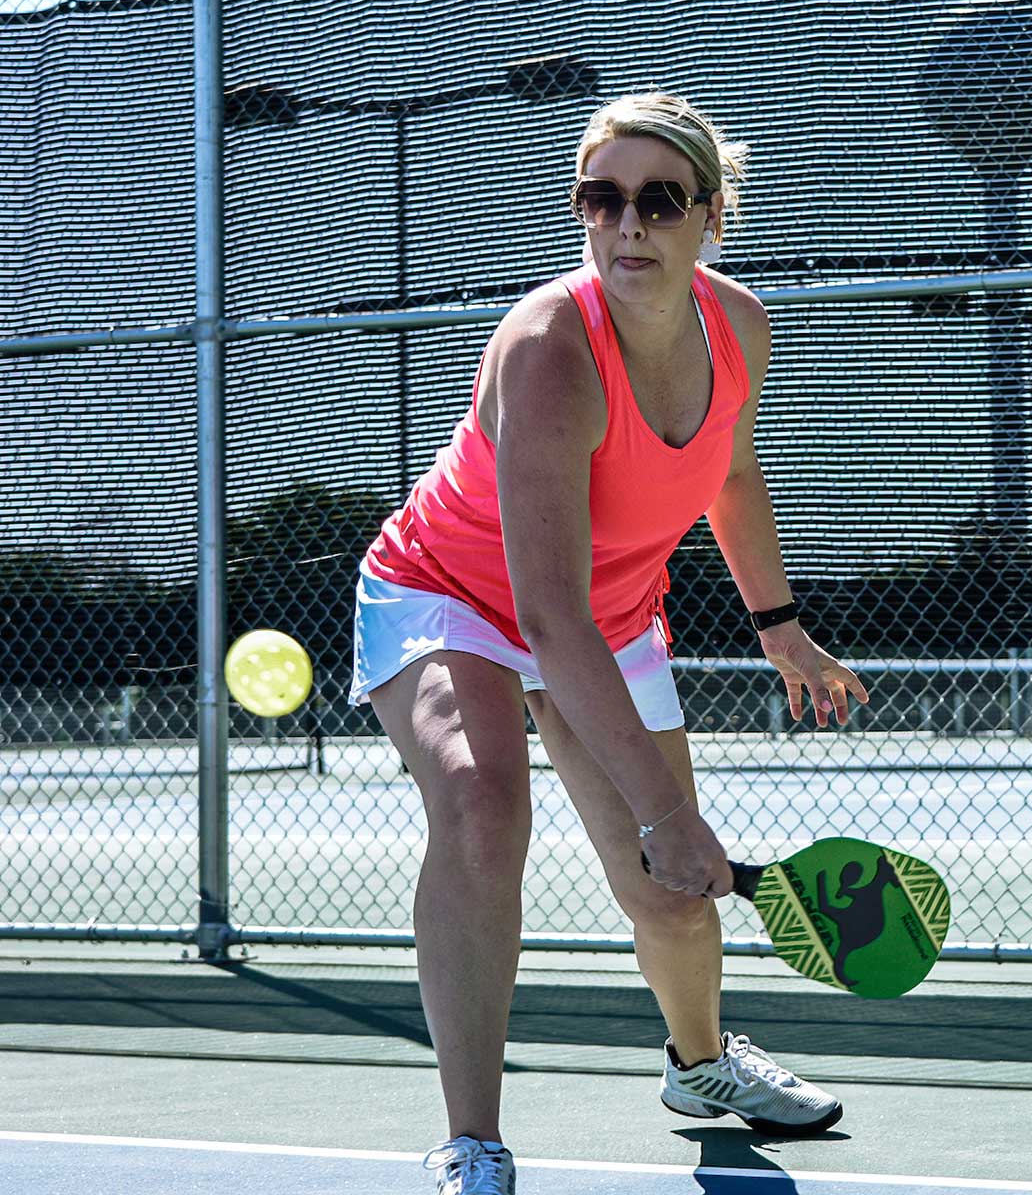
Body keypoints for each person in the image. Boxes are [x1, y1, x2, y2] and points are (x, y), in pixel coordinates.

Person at [350, 92, 870, 1194]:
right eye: (602, 197)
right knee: (483, 804)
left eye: (659, 199)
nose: (627, 223)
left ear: (710, 215)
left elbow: (729, 473)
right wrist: (667, 813)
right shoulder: (549, 350)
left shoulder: (737, 328)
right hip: (453, 594)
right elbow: (547, 616)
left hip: (616, 609)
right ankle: (473, 1139)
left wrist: (779, 627)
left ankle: (700, 1065)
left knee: (669, 894)